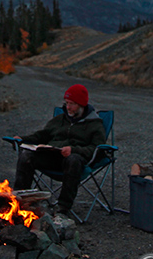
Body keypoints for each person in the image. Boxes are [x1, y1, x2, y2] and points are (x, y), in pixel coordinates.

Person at [12, 84, 106, 215]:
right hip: (53, 157)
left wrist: (74, 150)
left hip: (74, 161)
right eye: (67, 103)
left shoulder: (95, 124)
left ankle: (63, 208)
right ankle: (20, 201)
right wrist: (22, 139)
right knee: (27, 155)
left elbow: (97, 149)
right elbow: (43, 135)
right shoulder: (60, 119)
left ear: (81, 104)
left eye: (72, 104)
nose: (68, 107)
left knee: (73, 160)